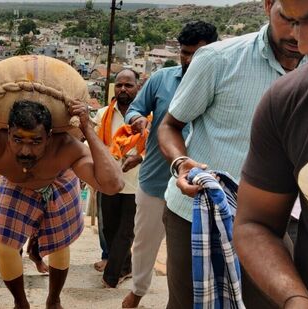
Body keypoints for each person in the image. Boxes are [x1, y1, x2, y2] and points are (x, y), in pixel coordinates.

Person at [157, 0, 306, 307]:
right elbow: (170, 126)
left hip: (276, 223)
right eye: (288, 18)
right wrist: (182, 164)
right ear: (268, 5)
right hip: (197, 214)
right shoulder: (218, 59)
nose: (297, 33)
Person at [0, 100, 124, 309]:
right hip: (15, 184)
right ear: (8, 133)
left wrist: (87, 128)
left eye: (35, 141)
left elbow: (112, 184)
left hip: (59, 180)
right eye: (18, 139)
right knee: (5, 245)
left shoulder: (65, 147)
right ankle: (20, 303)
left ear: (49, 137)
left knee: (59, 243)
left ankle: (54, 299)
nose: (25, 151)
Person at [234, 0, 308, 308]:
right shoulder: (287, 102)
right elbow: (255, 225)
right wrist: (294, 298)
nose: (306, 44)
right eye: (294, 22)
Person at [121, 21, 218, 308]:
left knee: (193, 253)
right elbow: (136, 109)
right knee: (144, 243)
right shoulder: (161, 79)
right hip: (155, 181)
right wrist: (136, 119)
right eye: (184, 53)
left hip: (197, 188)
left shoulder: (223, 82)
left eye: (196, 55)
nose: (189, 61)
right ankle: (138, 290)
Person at [94, 69, 142, 288]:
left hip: (137, 183)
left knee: (125, 232)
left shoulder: (147, 116)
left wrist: (140, 156)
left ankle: (111, 277)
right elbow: (93, 144)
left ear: (138, 87)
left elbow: (155, 144)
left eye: (128, 85)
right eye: (119, 84)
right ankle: (126, 267)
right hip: (109, 181)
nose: (123, 89)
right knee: (109, 230)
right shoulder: (103, 114)